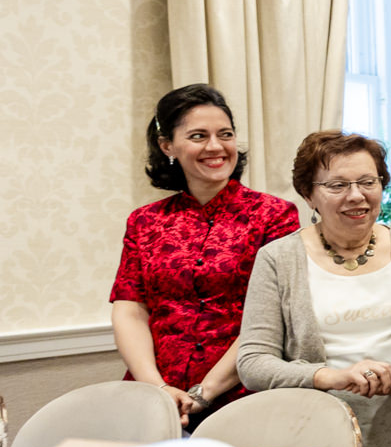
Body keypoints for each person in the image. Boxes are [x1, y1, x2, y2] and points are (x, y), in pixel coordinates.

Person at [239, 132, 391, 447]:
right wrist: (330, 377)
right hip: (315, 438)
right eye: (337, 185)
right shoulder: (278, 258)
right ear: (308, 195)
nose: (356, 196)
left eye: (368, 182)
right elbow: (253, 363)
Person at [111, 85, 300, 427]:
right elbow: (130, 311)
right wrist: (158, 389)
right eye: (199, 136)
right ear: (167, 146)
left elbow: (272, 319)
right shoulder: (145, 221)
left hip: (243, 395)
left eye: (225, 134)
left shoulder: (274, 215)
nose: (215, 146)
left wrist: (203, 393)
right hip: (156, 397)